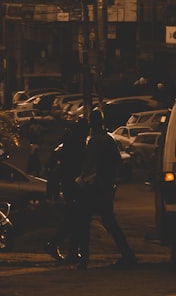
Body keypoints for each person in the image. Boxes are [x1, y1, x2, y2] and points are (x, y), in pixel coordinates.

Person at [77, 109, 136, 270]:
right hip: (107, 187)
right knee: (109, 222)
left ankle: (84, 258)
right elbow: (117, 162)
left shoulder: (95, 141)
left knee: (84, 221)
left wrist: (81, 180)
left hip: (94, 187)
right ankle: (128, 254)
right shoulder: (109, 139)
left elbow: (88, 167)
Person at [45, 117, 90, 265]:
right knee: (75, 218)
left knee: (74, 218)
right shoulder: (77, 144)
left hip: (69, 184)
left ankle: (69, 250)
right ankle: (60, 245)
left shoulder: (70, 141)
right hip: (73, 185)